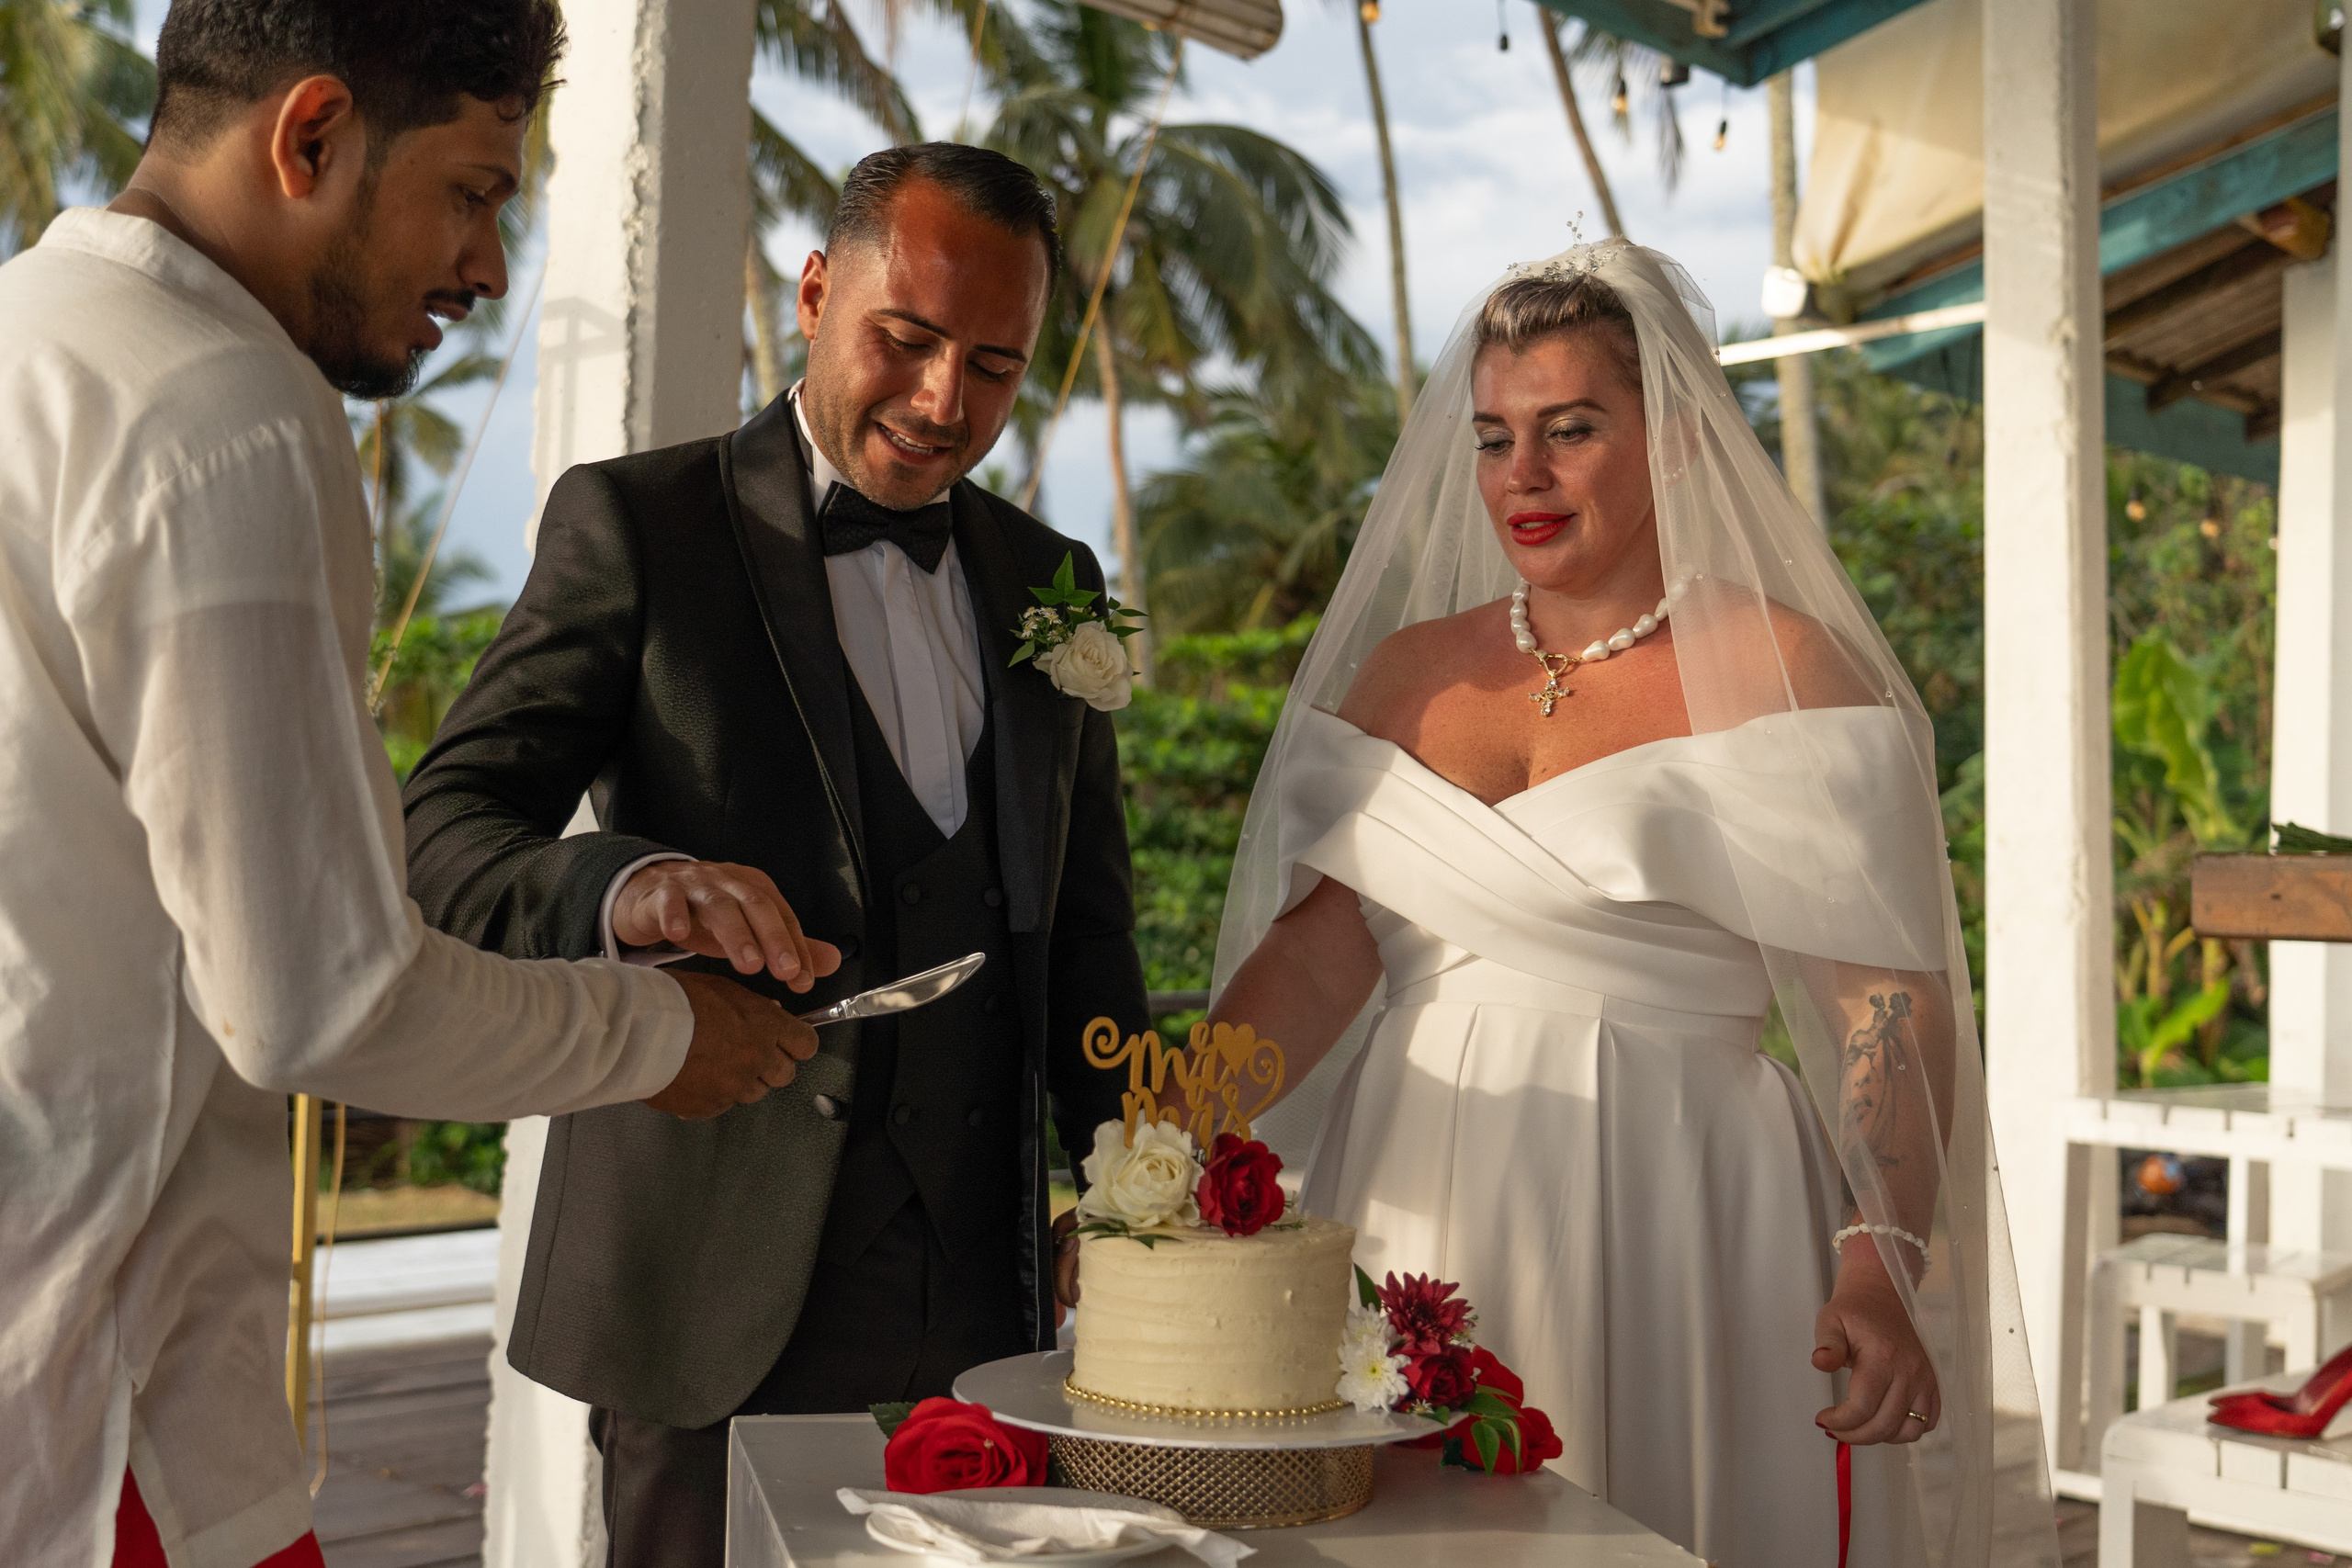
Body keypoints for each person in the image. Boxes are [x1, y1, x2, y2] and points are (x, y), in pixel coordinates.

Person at [0, 4, 828, 1565]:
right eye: (471, 191)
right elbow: (319, 1000)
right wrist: (660, 1033)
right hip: (107, 1408)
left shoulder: (25, 336)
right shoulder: (223, 414)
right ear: (310, 137)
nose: (492, 268)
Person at [1208, 242, 2060, 1566]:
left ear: (1671, 439)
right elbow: (1320, 954)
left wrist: (1880, 1260)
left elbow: (1881, 995)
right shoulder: (1407, 675)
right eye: (1495, 438)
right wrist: (1166, 1147)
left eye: (1570, 429)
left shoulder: (1783, 665)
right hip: (1420, 1185)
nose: (1522, 477)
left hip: (1685, 1189)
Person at [401, 142, 1148, 1568]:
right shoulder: (638, 526)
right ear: (814, 293)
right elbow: (442, 832)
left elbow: (1088, 931)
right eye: (907, 340)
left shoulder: (1056, 583)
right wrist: (628, 889)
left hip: (988, 1308)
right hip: (708, 1280)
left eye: (994, 366)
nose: (945, 404)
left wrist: (1131, 1194)